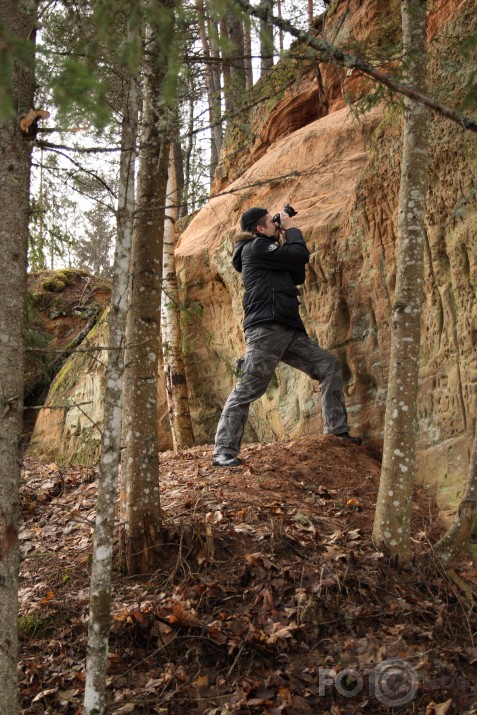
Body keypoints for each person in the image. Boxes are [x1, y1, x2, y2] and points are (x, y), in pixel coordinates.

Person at [212, 206, 362, 467]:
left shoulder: (268, 251)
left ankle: (337, 432)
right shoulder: (255, 248)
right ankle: (223, 451)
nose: (276, 222)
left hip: (288, 330)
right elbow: (300, 254)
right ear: (260, 229)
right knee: (248, 389)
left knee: (328, 365)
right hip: (266, 330)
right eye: (272, 221)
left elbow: (297, 272)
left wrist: (281, 235)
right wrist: (291, 229)